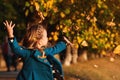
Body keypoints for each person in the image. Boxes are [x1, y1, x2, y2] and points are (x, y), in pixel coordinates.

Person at [3, 20, 72, 80]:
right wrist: (10, 35)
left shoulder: (46, 52)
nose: (47, 38)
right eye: (46, 36)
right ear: (39, 41)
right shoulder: (27, 53)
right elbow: (16, 49)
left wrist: (64, 43)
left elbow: (56, 48)